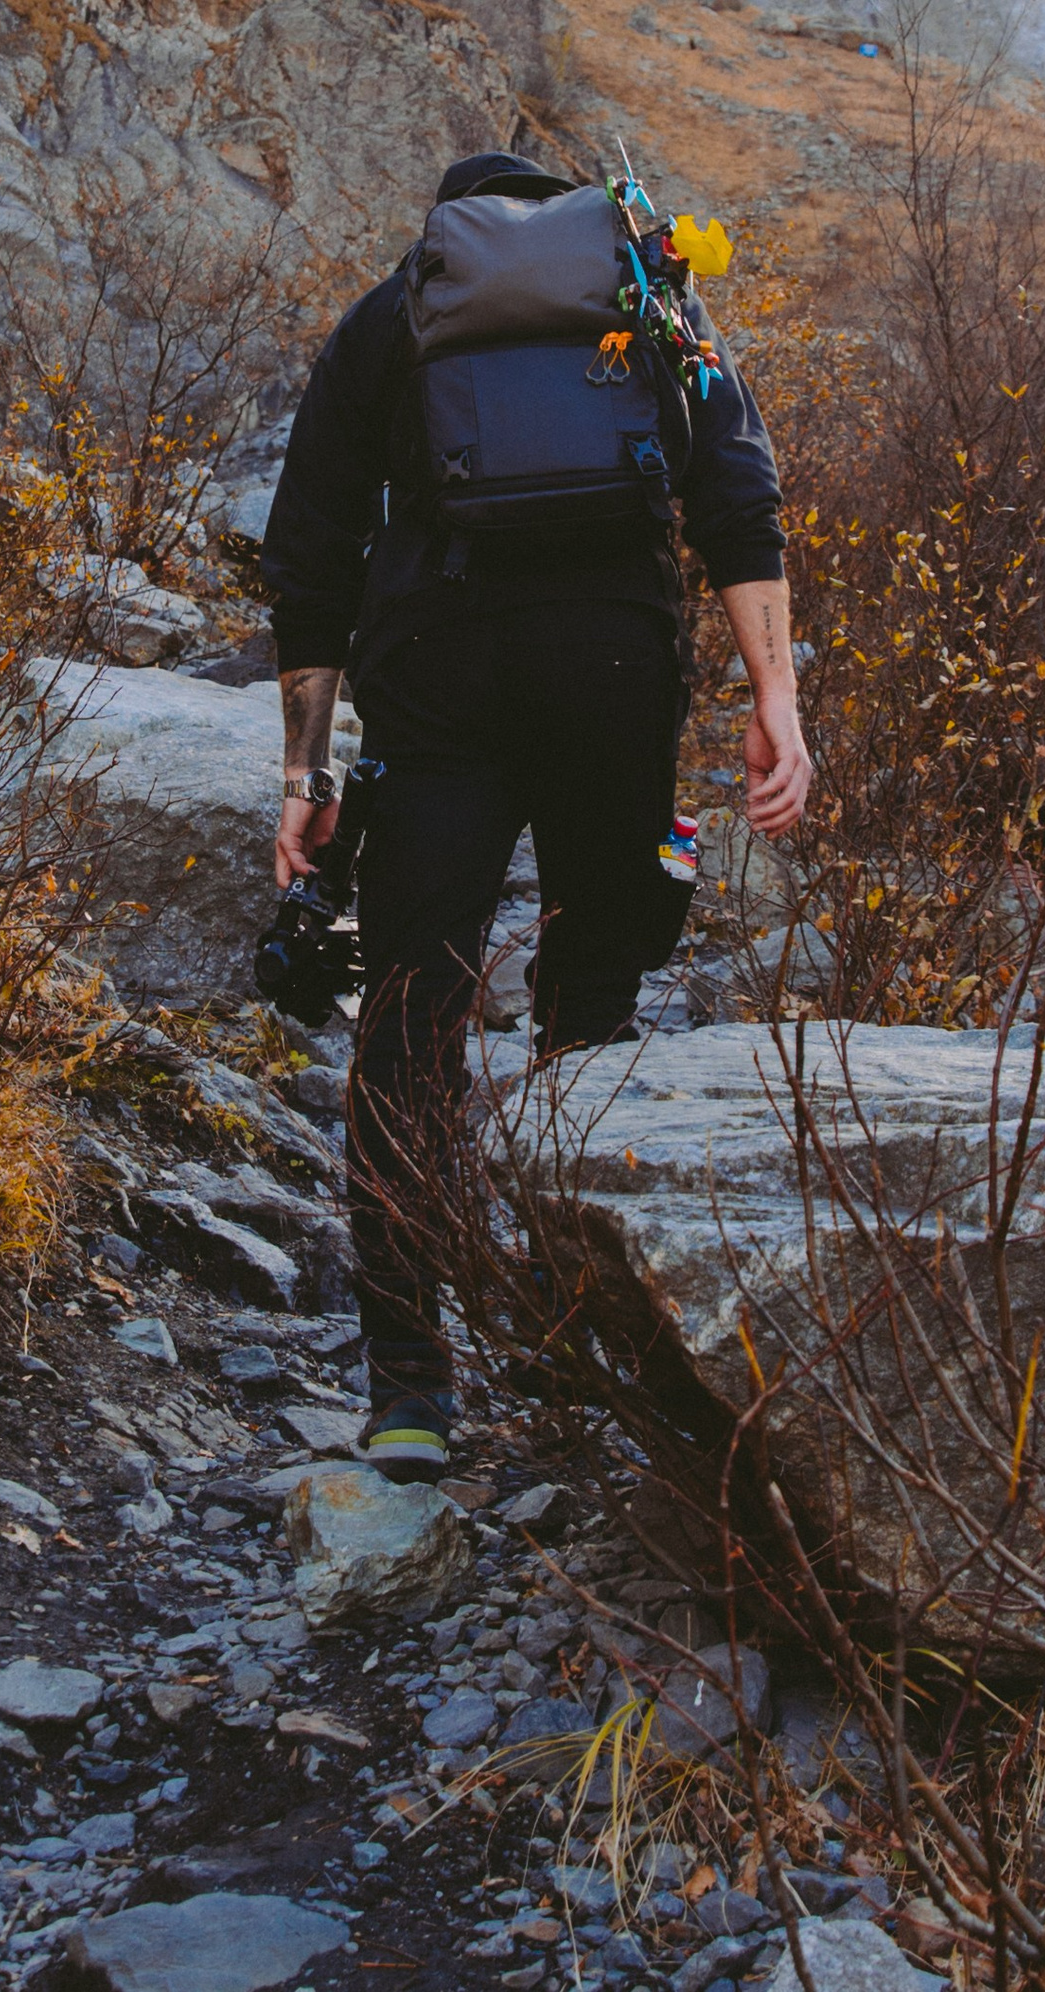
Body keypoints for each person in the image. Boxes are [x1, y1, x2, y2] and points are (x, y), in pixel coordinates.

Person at [259, 146, 809, 1483]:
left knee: (409, 1010)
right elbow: (738, 504)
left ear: (446, 228)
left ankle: (407, 1384)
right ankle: (589, 1343)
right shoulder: (646, 298)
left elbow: (312, 542)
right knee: (596, 1004)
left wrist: (307, 772)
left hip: (438, 680)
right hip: (614, 669)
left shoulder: (395, 314)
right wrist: (777, 702)